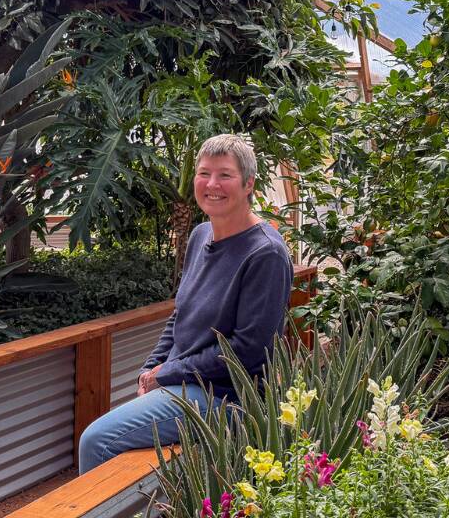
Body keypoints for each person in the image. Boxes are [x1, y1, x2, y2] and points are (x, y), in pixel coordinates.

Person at [77, 134, 293, 473]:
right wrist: (149, 369)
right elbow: (180, 315)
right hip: (185, 384)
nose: (212, 184)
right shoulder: (199, 235)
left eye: (225, 175)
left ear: (249, 183)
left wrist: (168, 373)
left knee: (96, 441)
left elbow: (248, 351)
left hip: (226, 398)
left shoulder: (265, 253)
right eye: (204, 173)